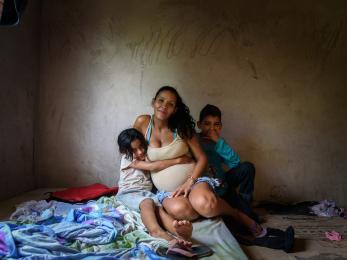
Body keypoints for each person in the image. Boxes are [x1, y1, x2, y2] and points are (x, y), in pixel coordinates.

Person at [133, 86, 267, 238]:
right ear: (153, 102)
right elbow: (131, 154)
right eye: (161, 100)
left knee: (206, 204)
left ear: (175, 109)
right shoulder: (143, 122)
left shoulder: (182, 128)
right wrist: (171, 162)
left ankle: (236, 213)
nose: (164, 106)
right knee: (183, 211)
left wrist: (190, 182)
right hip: (168, 190)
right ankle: (212, 209)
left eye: (170, 104)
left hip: (196, 181)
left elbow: (204, 159)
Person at [116, 128, 193, 249]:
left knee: (158, 209)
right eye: (134, 150)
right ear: (125, 151)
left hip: (147, 194)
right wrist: (178, 160)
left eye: (141, 146)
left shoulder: (146, 155)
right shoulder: (128, 159)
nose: (140, 152)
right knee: (147, 202)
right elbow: (152, 166)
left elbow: (158, 161)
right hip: (128, 193)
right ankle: (156, 231)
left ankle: (179, 232)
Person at [197, 104, 259, 222]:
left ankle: (245, 203)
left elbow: (235, 163)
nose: (212, 128)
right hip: (206, 186)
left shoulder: (220, 143)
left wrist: (219, 142)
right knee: (238, 221)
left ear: (221, 127)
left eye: (216, 124)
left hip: (224, 184)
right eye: (207, 124)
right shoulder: (194, 140)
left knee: (247, 167)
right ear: (199, 125)